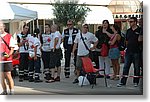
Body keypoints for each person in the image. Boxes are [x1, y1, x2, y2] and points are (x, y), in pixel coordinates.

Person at [117, 17, 142, 87]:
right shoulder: (128, 31)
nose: (130, 23)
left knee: (136, 67)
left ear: (135, 22)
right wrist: (126, 47)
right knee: (125, 67)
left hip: (137, 51)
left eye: (131, 22)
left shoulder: (140, 30)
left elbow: (141, 40)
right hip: (128, 51)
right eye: (129, 22)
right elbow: (127, 40)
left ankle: (136, 81)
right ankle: (123, 81)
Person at [0, 20, 15, 95]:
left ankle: (11, 90)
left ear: (4, 27)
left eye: (1, 27)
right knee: (1, 76)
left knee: (8, 74)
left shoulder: (9, 36)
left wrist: (9, 55)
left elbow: (12, 48)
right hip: (0, 60)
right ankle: (4, 90)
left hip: (7, 60)